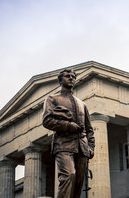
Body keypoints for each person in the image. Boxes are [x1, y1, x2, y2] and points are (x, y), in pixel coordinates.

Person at [42, 69, 95, 198]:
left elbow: (89, 129)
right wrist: (68, 126)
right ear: (60, 80)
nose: (71, 78)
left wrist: (91, 147)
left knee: (78, 183)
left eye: (73, 76)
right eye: (67, 76)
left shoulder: (82, 104)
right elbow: (46, 120)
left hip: (82, 148)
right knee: (69, 175)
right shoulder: (52, 99)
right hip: (63, 144)